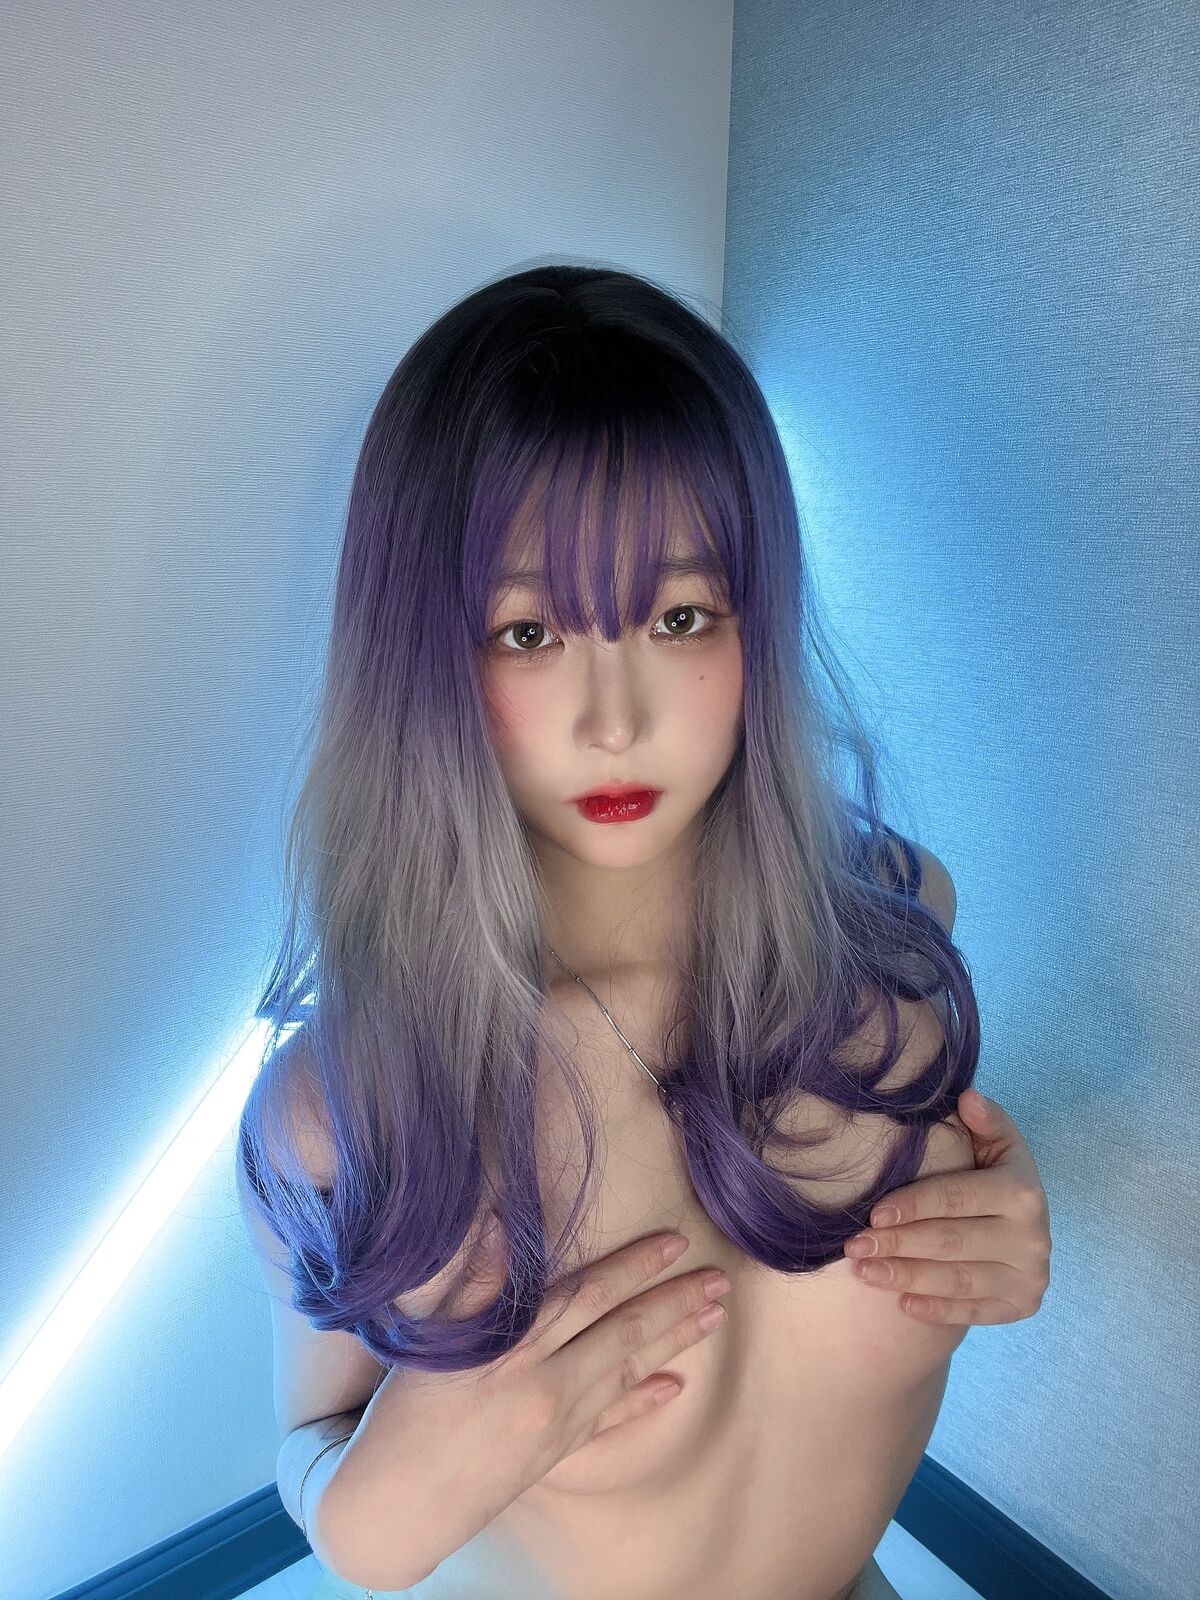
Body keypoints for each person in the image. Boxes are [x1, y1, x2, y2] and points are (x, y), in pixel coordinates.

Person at [239, 262, 988, 1600]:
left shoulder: (894, 925)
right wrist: (370, 1518)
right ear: (426, 653)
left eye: (680, 615)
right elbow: (314, 1446)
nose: (616, 719)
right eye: (528, 632)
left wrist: (1002, 1228)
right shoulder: (360, 1105)